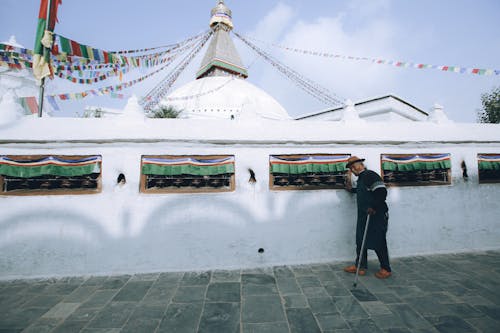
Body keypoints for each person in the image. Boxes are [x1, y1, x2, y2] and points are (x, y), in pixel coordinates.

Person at [343, 156, 392, 279]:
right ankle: (361, 267)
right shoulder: (361, 179)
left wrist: (374, 207)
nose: (353, 170)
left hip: (377, 215)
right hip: (364, 216)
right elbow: (362, 191)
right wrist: (351, 188)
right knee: (361, 240)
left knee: (378, 241)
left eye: (354, 166)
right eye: (351, 168)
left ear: (360, 165)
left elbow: (381, 191)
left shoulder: (370, 175)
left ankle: (386, 269)